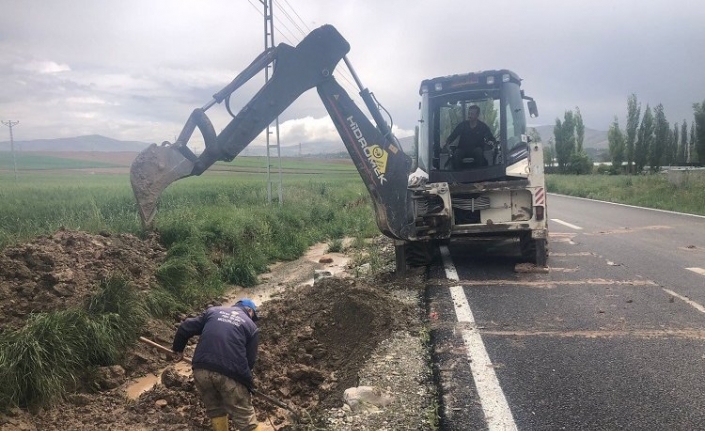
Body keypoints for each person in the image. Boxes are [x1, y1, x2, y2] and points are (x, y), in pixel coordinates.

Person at [172, 298, 262, 431]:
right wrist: (245, 383)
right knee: (245, 417)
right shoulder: (251, 326)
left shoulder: (213, 312)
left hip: (201, 369)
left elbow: (185, 327)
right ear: (250, 311)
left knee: (215, 409)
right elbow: (249, 361)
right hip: (230, 373)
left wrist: (178, 349)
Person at [444, 104, 496, 169]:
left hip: (476, 149)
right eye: (469, 113)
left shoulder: (482, 126)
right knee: (457, 154)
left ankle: (479, 174)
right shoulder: (462, 125)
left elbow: (490, 137)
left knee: (479, 152)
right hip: (462, 149)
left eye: (472, 114)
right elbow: (453, 135)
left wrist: (491, 141)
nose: (469, 115)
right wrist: (447, 142)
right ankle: (457, 175)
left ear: (477, 115)